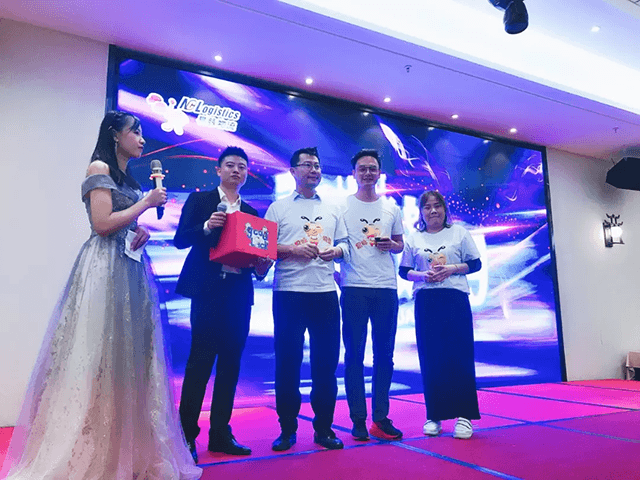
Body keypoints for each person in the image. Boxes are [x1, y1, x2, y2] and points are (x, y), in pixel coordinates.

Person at [1, 111, 202, 479]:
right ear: (114, 135)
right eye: (135, 132)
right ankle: (92, 451)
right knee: (98, 354)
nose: (142, 139)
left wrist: (139, 229)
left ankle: (124, 450)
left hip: (130, 267)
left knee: (130, 360)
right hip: (104, 268)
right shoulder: (99, 167)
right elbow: (101, 223)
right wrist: (144, 204)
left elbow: (122, 221)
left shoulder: (127, 177)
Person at [174, 146, 271, 462]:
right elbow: (180, 240)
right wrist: (206, 226)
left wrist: (262, 265)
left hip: (238, 294)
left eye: (242, 167)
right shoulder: (200, 201)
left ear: (246, 174)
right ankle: (186, 436)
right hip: (208, 292)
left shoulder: (252, 213)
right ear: (218, 169)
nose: (236, 171)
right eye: (230, 165)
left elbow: (256, 259)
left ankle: (220, 434)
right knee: (199, 364)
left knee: (231, 366)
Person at [265, 147, 348, 452]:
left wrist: (335, 251)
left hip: (325, 293)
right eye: (307, 165)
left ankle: (324, 428)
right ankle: (287, 429)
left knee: (325, 365)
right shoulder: (278, 208)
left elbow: (346, 245)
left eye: (317, 165)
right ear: (293, 171)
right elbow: (264, 247)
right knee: (287, 363)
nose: (314, 170)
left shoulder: (333, 208)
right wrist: (292, 250)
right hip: (288, 292)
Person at [399, 190, 482, 439]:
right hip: (426, 300)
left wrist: (452, 269)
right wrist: (422, 276)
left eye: (437, 206)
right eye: (427, 207)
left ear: (445, 209)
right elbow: (404, 271)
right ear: (421, 212)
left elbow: (475, 264)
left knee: (460, 356)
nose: (433, 211)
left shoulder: (459, 233)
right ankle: (434, 415)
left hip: (455, 299)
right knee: (431, 357)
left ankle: (465, 415)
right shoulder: (414, 238)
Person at [339, 149, 405, 441]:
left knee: (385, 355)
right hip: (354, 288)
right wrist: (338, 276)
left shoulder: (391, 208)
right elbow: (334, 243)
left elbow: (400, 244)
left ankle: (380, 417)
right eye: (362, 168)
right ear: (353, 173)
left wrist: (392, 244)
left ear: (379, 173)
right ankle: (358, 419)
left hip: (386, 288)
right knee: (354, 355)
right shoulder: (341, 206)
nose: (367, 173)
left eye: (372, 168)